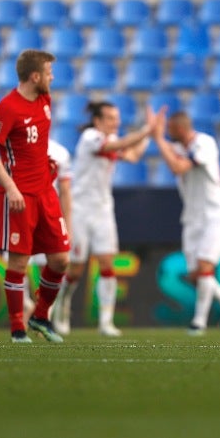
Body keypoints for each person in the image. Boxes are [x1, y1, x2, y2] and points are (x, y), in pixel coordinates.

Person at [0, 49, 68, 344]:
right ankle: (17, 328)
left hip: (45, 191)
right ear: (35, 77)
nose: (52, 77)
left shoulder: (45, 100)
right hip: (19, 196)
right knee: (19, 264)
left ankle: (40, 316)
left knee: (60, 259)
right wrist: (11, 186)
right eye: (48, 72)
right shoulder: (8, 107)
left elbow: (34, 145)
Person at [52, 101, 154, 337]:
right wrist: (144, 131)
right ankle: (62, 305)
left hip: (103, 210)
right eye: (110, 117)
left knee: (107, 263)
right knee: (75, 269)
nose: (115, 122)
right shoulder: (91, 137)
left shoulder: (110, 141)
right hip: (80, 209)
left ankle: (106, 322)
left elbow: (133, 155)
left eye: (117, 117)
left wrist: (151, 133)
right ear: (98, 121)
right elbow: (120, 145)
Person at [152, 109, 220, 336]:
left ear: (180, 129)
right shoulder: (179, 147)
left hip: (216, 213)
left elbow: (178, 167)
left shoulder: (205, 143)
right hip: (192, 217)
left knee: (204, 268)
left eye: (170, 130)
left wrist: (158, 138)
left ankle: (198, 322)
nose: (168, 134)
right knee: (195, 276)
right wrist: (153, 132)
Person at [22, 138, 73, 321]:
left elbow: (65, 191)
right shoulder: (14, 144)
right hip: (20, 213)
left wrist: (68, 225)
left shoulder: (60, 152)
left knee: (54, 263)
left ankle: (45, 313)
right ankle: (25, 311)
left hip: (49, 216)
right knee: (17, 266)